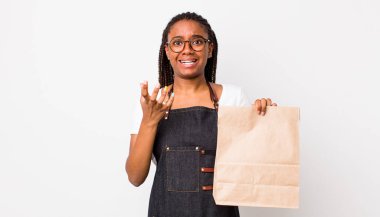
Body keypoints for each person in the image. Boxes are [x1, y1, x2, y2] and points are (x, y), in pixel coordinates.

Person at [126, 12, 277, 217]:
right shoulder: (152, 104)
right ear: (168, 51)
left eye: (197, 41)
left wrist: (266, 120)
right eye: (177, 43)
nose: (187, 50)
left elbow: (254, 170)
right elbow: (135, 176)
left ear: (210, 48)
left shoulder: (232, 97)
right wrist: (150, 121)